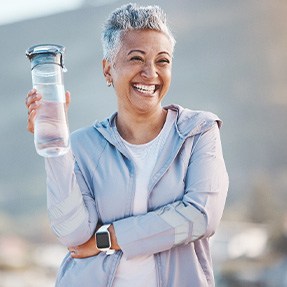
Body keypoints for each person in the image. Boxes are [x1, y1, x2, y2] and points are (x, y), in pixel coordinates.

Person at [25, 3, 228, 287]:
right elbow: (72, 234)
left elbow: (201, 215)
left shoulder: (197, 132)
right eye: (136, 58)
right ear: (108, 69)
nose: (150, 72)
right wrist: (55, 144)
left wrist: (108, 238)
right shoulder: (83, 145)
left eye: (162, 60)